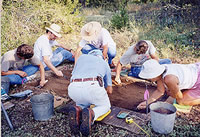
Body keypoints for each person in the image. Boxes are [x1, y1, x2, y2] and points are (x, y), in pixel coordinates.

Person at [68, 49, 112, 136]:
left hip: (73, 88)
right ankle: (92, 113)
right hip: (92, 86)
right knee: (105, 106)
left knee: (82, 102)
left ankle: (77, 110)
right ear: (102, 57)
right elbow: (109, 90)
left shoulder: (81, 58)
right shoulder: (104, 63)